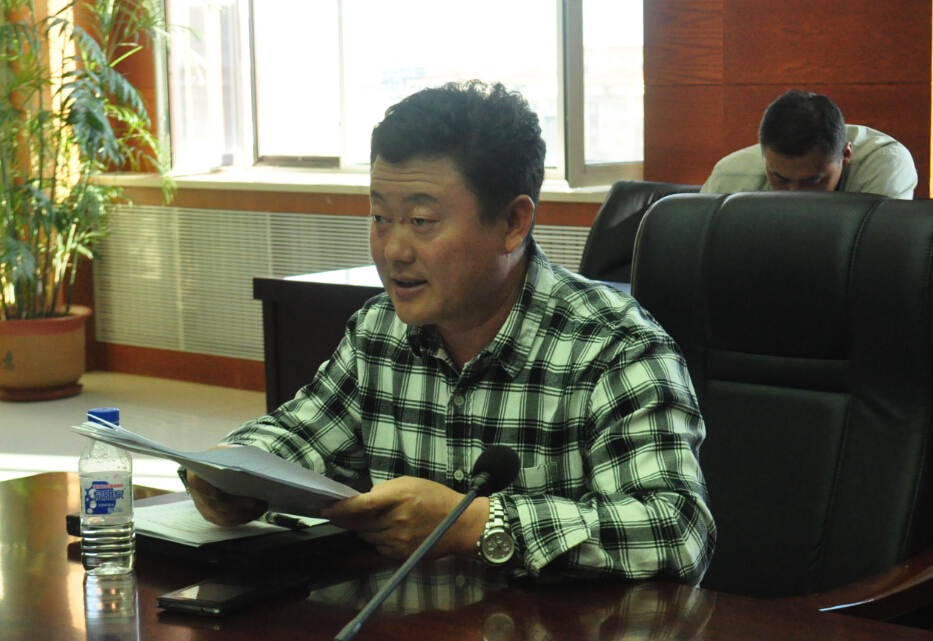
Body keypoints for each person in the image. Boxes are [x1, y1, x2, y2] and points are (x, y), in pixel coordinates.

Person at [186, 80, 716, 584]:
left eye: (421, 221)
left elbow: (677, 531)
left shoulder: (616, 345)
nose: (394, 250)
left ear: (513, 223)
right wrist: (225, 471)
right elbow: (299, 434)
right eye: (379, 217)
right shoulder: (379, 330)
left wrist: (475, 525)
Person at [701, 90, 917, 199]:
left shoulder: (885, 166)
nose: (794, 195)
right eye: (780, 178)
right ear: (764, 157)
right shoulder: (729, 177)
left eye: (814, 180)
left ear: (846, 155)